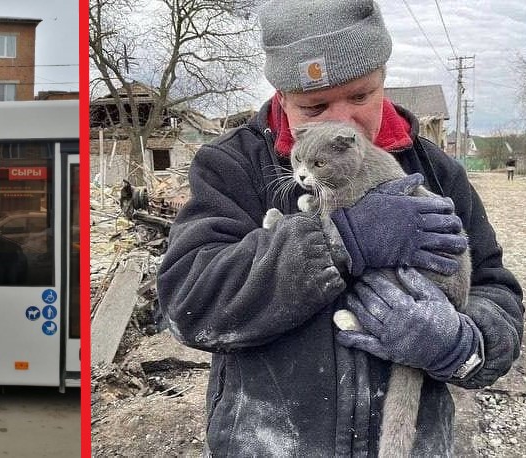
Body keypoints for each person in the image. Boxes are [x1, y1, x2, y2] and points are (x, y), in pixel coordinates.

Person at [156, 1, 524, 456]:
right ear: (282, 96)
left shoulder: (435, 169)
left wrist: (461, 343)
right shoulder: (231, 166)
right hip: (270, 443)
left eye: (360, 96)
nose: (341, 121)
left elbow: (497, 295)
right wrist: (336, 240)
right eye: (314, 105)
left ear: (382, 78)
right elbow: (187, 305)